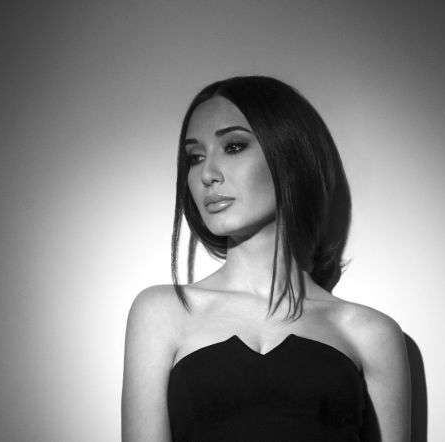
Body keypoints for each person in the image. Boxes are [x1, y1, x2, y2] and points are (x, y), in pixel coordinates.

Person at [121, 75, 411, 441]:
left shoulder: (370, 333)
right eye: (195, 157)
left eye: (234, 146)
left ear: (290, 156)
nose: (207, 174)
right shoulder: (162, 312)